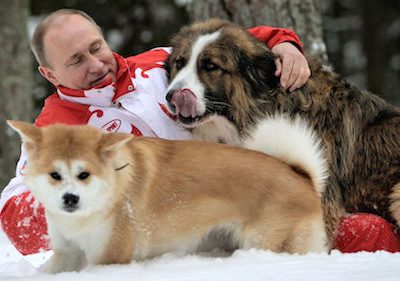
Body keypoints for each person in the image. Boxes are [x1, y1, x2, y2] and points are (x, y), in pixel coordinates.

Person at [0, 9, 398, 256]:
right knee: (360, 235)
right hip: (197, 225)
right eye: (76, 59)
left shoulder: (160, 63)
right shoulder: (55, 128)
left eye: (96, 46)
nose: (97, 63)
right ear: (48, 74)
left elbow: (238, 42)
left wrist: (285, 43)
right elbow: (17, 215)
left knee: (372, 233)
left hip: (257, 192)